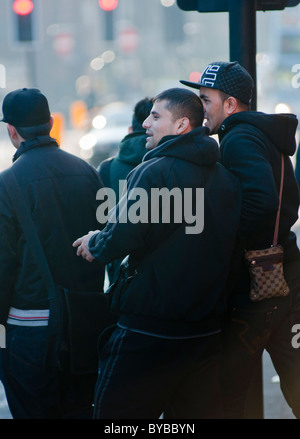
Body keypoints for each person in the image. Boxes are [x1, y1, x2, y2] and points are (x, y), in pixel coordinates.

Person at [73, 87, 241, 419]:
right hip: (204, 332)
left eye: (155, 116)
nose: (145, 124)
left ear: (181, 125)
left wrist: (94, 243)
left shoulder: (153, 172)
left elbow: (120, 236)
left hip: (148, 333)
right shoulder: (226, 179)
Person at [180, 61, 300, 418]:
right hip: (286, 275)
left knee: (229, 394)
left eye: (205, 99)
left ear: (229, 105)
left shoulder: (238, 137)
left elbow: (262, 202)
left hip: (256, 287)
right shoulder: (263, 134)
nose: (200, 109)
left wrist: (232, 246)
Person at [0, 88, 106, 419]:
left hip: (29, 331)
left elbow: (3, 265)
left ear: (12, 131)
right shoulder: (88, 173)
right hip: (84, 325)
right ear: (49, 122)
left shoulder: (7, 184)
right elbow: (105, 243)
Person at [97, 97, 153, 284]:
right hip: (163, 277)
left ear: (130, 131)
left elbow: (100, 225)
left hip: (119, 278)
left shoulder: (107, 169)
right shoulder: (172, 166)